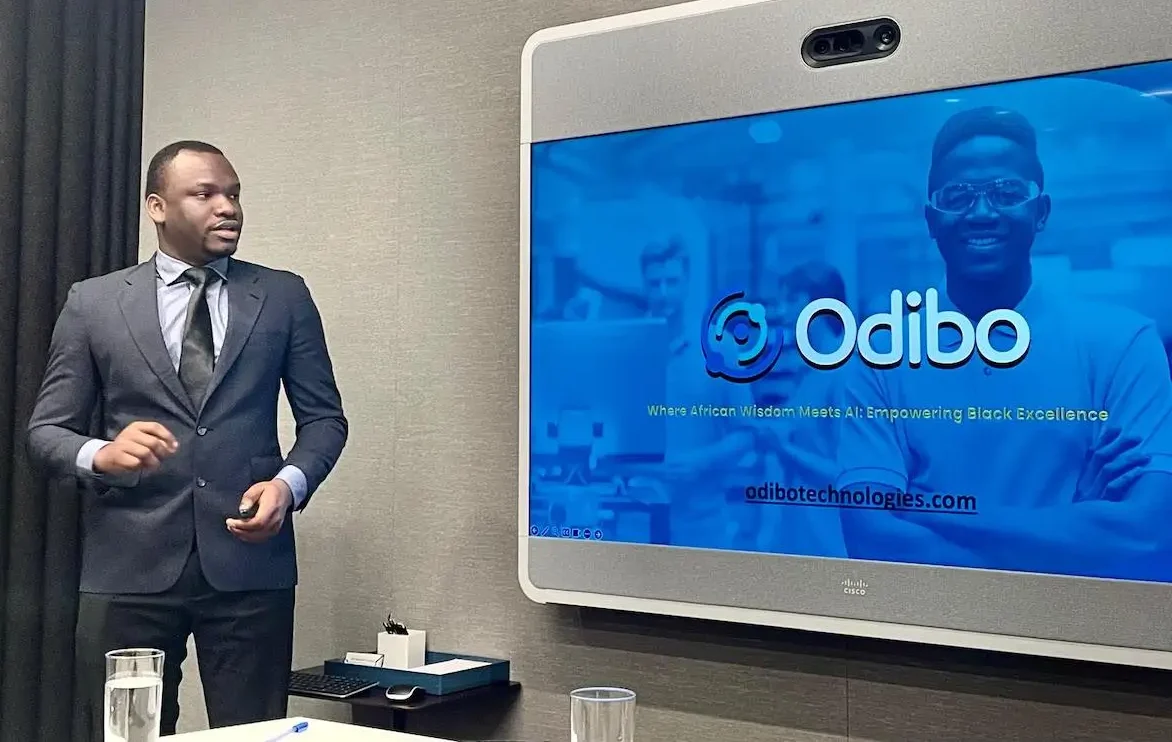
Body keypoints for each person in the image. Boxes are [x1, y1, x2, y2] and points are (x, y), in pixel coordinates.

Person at [26, 140, 348, 735]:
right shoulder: (94, 303)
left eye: (234, 193)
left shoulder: (283, 295)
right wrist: (103, 454)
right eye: (205, 194)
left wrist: (288, 484)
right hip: (129, 565)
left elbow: (325, 420)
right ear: (157, 206)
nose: (228, 207)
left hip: (251, 566)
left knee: (251, 734)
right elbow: (45, 434)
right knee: (126, 733)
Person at [834, 107, 1172, 580]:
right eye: (957, 196)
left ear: (1041, 212)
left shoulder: (1121, 343)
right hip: (920, 637)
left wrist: (929, 509)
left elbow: (1147, 533)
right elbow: (870, 537)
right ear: (932, 220)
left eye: (1007, 193)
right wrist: (1071, 530)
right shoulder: (882, 351)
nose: (981, 213)